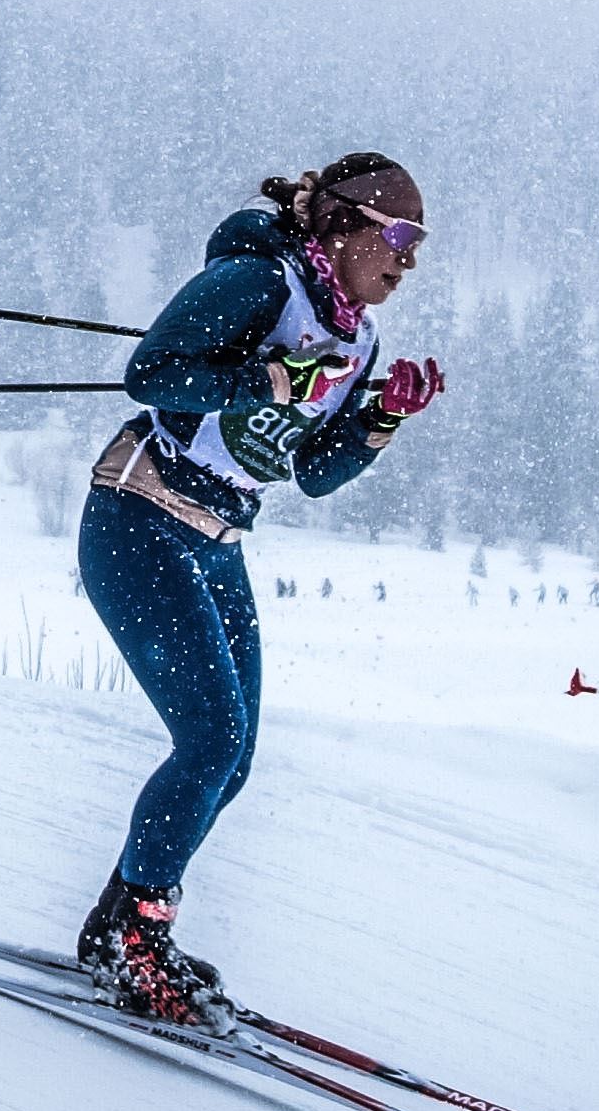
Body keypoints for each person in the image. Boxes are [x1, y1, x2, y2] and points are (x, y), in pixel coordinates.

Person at [71, 153, 446, 1023]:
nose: (410, 258)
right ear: (342, 223)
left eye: (420, 243)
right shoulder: (258, 282)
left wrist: (381, 421)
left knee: (231, 760)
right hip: (139, 514)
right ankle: (139, 938)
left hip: (219, 537)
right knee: (209, 742)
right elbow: (152, 373)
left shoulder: (358, 338)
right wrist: (271, 377)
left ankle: (119, 925)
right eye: (399, 235)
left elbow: (312, 471)